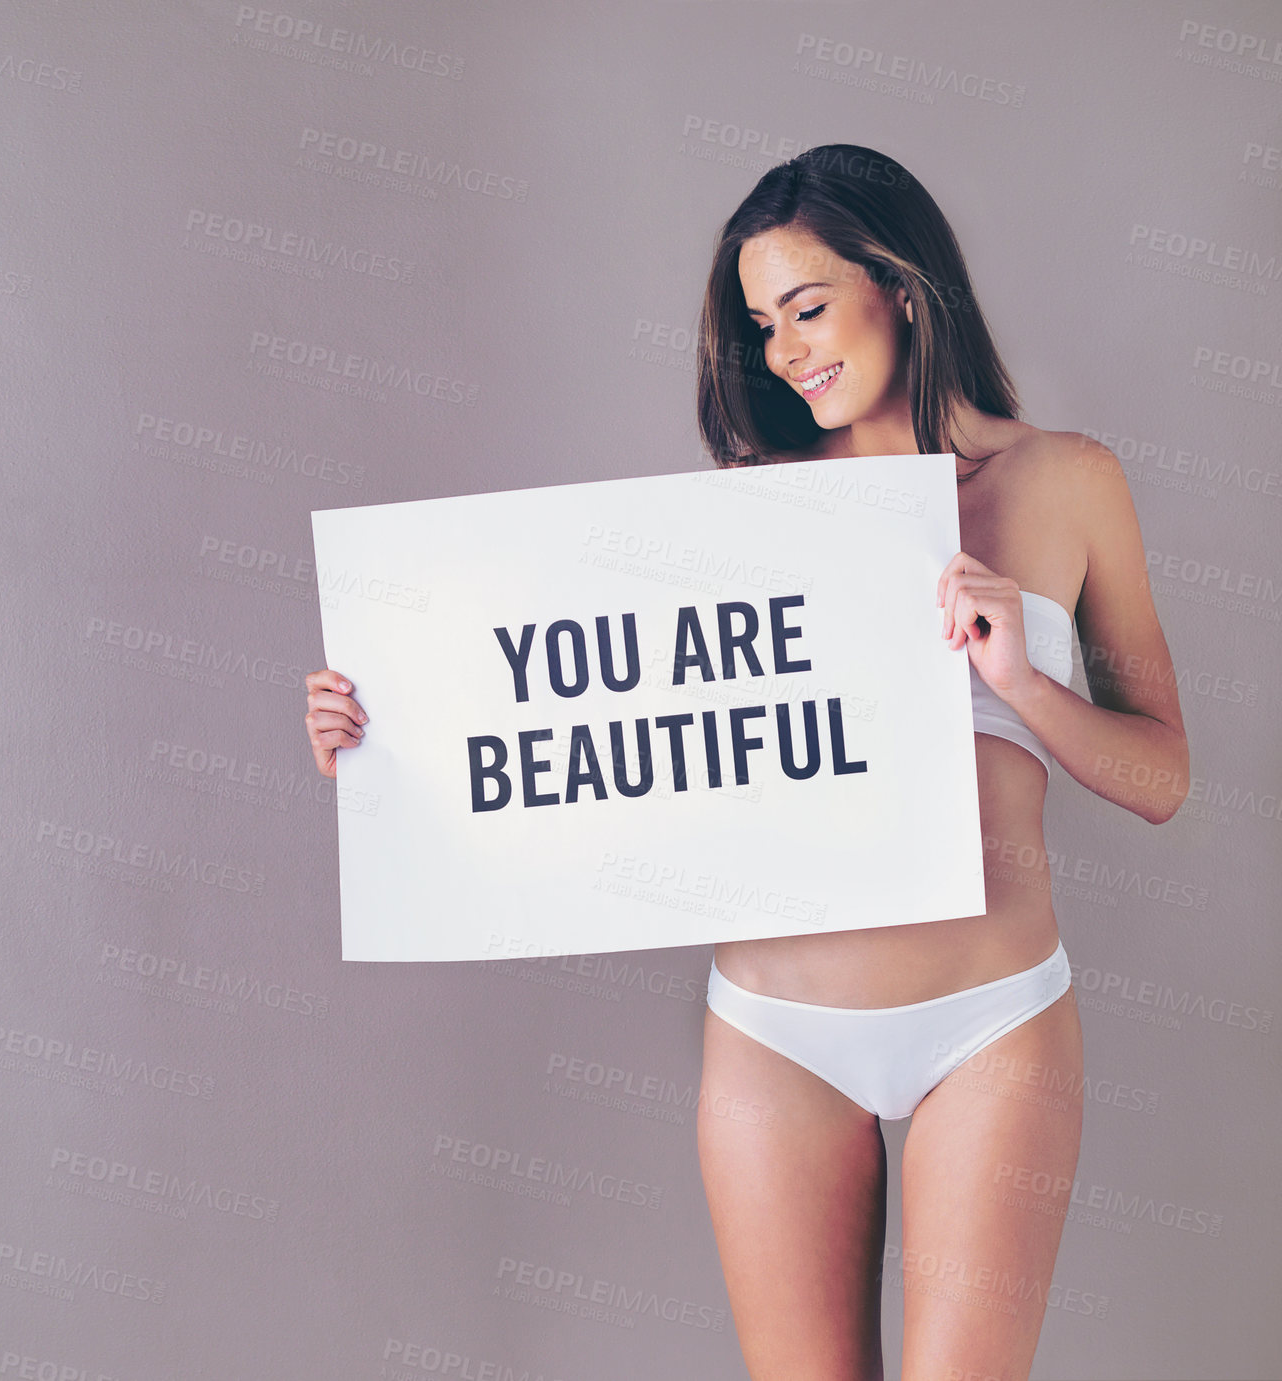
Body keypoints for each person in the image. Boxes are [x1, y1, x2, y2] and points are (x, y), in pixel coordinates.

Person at [304, 142, 1190, 1380]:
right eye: (761, 323)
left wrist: (1021, 682)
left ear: (901, 283)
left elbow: (1161, 778)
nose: (783, 350)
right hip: (778, 1035)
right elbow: (610, 728)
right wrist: (395, 736)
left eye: (807, 307)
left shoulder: (1065, 481)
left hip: (990, 1025)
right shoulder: (752, 506)